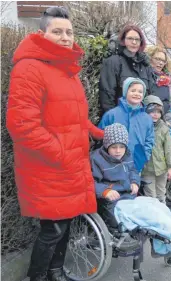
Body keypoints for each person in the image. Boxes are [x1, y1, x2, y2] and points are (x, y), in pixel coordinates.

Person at [6, 6, 104, 281]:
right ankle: (37, 276)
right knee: (53, 229)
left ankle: (56, 272)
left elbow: (75, 119)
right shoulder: (29, 68)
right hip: (49, 166)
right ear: (42, 33)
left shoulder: (67, 71)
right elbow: (22, 125)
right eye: (57, 31)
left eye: (69, 32)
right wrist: (60, 152)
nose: (64, 37)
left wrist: (98, 133)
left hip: (69, 164)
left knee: (65, 222)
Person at [91, 123, 171, 263]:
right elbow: (89, 182)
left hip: (130, 198)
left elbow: (133, 171)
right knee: (148, 214)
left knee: (157, 205)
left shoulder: (126, 156)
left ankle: (165, 248)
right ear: (107, 146)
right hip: (114, 204)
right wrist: (105, 191)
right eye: (114, 147)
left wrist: (134, 182)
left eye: (122, 147)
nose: (118, 151)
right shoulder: (96, 159)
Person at [99, 77, 154, 173]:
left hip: (136, 164)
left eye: (140, 92)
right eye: (133, 90)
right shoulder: (112, 114)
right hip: (113, 164)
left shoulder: (147, 118)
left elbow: (149, 140)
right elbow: (101, 136)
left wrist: (143, 157)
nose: (137, 94)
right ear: (125, 92)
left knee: (133, 187)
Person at [99, 24, 155, 114]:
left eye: (137, 39)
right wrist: (113, 118)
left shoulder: (145, 66)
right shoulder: (113, 62)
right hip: (119, 118)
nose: (134, 42)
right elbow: (107, 95)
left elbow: (150, 95)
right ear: (123, 40)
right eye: (130, 38)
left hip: (140, 118)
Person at [141, 96, 171, 203]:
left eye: (158, 112)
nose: (155, 114)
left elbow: (169, 149)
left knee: (161, 194)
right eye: (152, 112)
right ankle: (153, 217)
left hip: (162, 168)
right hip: (147, 169)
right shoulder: (141, 127)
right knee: (150, 196)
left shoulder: (163, 128)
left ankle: (162, 215)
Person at [145, 46, 171, 114]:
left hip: (164, 116)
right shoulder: (145, 75)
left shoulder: (166, 78)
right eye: (157, 59)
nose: (161, 63)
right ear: (150, 58)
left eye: (163, 61)